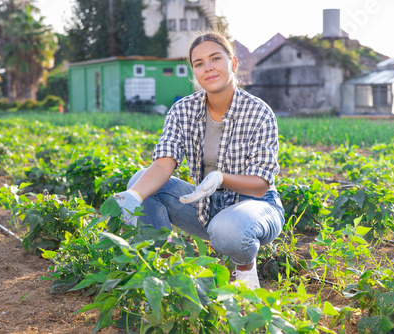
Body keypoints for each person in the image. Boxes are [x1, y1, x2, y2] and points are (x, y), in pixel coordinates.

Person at [113, 31, 285, 290]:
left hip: (256, 207)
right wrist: (134, 196)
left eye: (216, 58)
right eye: (199, 63)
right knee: (140, 182)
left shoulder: (258, 112)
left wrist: (221, 178)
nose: (208, 68)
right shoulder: (183, 110)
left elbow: (261, 184)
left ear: (233, 63)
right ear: (193, 71)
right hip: (205, 208)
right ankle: (161, 272)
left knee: (229, 230)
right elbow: (163, 164)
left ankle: (246, 278)